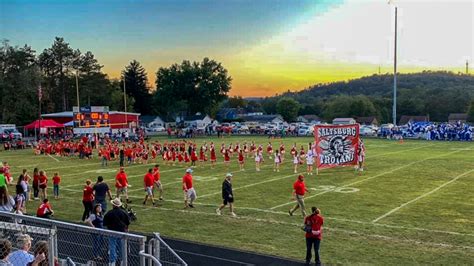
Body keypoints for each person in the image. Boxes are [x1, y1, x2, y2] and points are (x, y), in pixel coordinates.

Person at [103, 198, 130, 265]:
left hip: (112, 232)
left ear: (113, 205)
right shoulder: (124, 212)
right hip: (121, 232)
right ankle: (122, 260)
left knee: (112, 246)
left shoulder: (109, 213)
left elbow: (105, 223)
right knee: (121, 246)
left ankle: (112, 262)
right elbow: (127, 223)